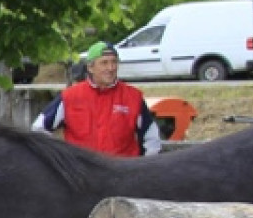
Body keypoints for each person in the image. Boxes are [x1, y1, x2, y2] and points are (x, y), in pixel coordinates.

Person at [32, 42, 164, 157]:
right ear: (90, 67)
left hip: (122, 175)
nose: (110, 68)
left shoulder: (133, 97)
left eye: (114, 62)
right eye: (104, 63)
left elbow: (151, 138)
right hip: (82, 175)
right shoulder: (70, 97)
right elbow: (39, 129)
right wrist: (60, 161)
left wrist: (140, 170)